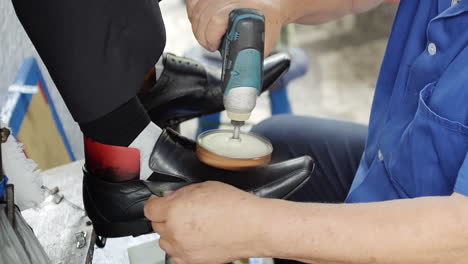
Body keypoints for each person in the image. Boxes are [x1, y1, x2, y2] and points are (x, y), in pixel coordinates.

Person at [143, 0, 468, 263]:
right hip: (397, 166)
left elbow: (459, 238)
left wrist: (251, 227)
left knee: (257, 219)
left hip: (444, 236)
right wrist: (275, 6)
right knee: (279, 145)